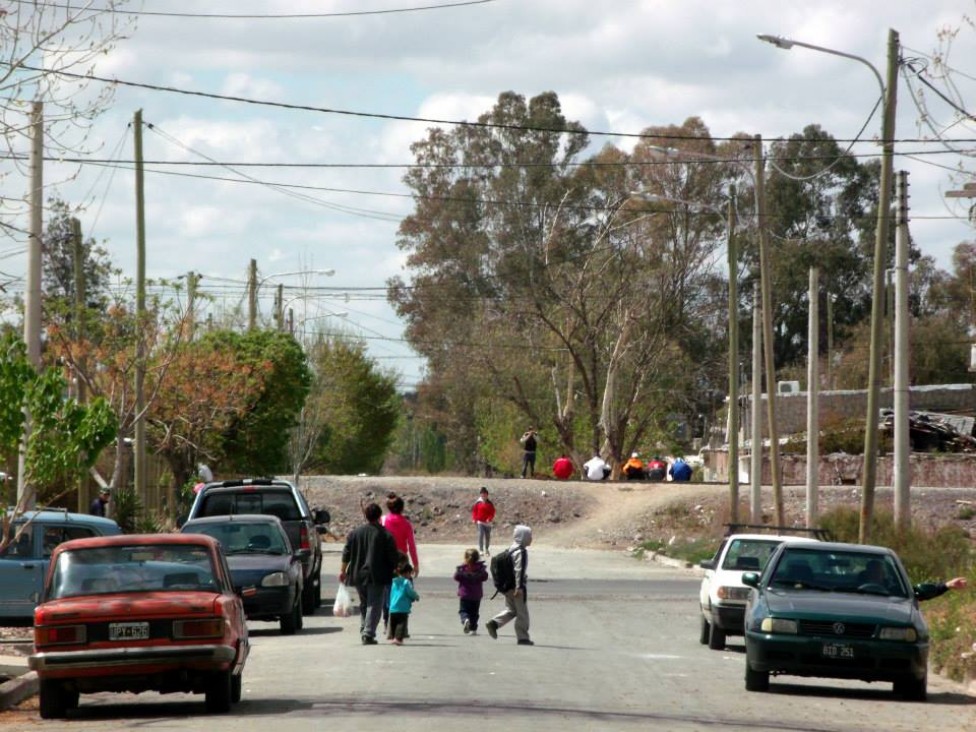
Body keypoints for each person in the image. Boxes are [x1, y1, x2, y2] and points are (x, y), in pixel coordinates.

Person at [339, 502, 399, 645]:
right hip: (377, 575)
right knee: (374, 604)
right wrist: (395, 569)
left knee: (364, 603)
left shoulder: (355, 533)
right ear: (379, 516)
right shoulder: (385, 535)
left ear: (366, 516)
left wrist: (342, 571)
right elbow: (393, 557)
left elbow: (346, 553)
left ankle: (364, 628)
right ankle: (368, 633)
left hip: (358, 574)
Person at [485, 524, 534, 646]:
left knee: (511, 610)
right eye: (529, 536)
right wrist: (519, 587)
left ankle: (494, 623)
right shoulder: (521, 552)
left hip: (507, 587)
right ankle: (523, 637)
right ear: (523, 537)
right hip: (515, 588)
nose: (531, 538)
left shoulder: (511, 548)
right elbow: (519, 570)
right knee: (522, 614)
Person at [381, 493, 420, 629]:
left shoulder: (383, 520)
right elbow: (412, 545)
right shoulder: (406, 523)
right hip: (402, 561)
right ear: (402, 508)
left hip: (386, 561)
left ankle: (387, 621)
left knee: (387, 591)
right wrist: (415, 565)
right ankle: (401, 623)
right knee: (404, 591)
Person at [453, 547, 489, 635]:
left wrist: (461, 568)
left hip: (465, 594)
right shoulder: (480, 569)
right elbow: (485, 577)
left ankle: (465, 619)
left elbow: (456, 577)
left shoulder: (462, 569)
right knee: (475, 612)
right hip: (476, 595)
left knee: (463, 610)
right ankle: (473, 629)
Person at [387, 561, 420, 645]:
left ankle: (394, 637)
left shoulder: (393, 582)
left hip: (393, 607)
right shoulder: (406, 582)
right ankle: (398, 639)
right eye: (410, 574)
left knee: (393, 623)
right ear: (407, 573)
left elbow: (390, 594)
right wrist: (416, 597)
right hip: (403, 608)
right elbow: (410, 592)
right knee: (401, 623)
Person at [471, 487, 496, 555]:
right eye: (482, 495)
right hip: (480, 522)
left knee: (487, 537)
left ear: (487, 495)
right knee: (480, 535)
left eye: (485, 495)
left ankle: (486, 549)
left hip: (488, 523)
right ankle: (481, 550)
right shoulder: (478, 503)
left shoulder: (490, 503)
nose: (483, 496)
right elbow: (474, 511)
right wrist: (474, 519)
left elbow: (492, 512)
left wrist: (489, 518)